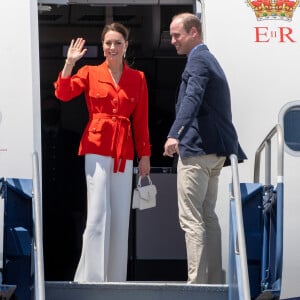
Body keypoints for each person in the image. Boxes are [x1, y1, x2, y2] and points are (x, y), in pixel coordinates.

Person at [54, 22, 151, 282]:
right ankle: (92, 279)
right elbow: (63, 94)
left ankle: (116, 280)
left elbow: (141, 119)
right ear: (104, 46)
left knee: (120, 215)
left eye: (118, 42)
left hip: (125, 150)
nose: (112, 47)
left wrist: (145, 155)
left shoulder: (137, 78)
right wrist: (69, 63)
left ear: (126, 46)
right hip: (96, 147)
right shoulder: (89, 72)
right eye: (108, 43)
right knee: (98, 212)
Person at [163, 13, 247, 284]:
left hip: (197, 151)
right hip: (215, 152)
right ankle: (212, 281)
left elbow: (192, 97)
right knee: (208, 216)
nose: (172, 40)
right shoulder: (210, 59)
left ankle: (196, 284)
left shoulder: (198, 59)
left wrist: (175, 133)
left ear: (194, 32)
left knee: (191, 218)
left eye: (177, 35)